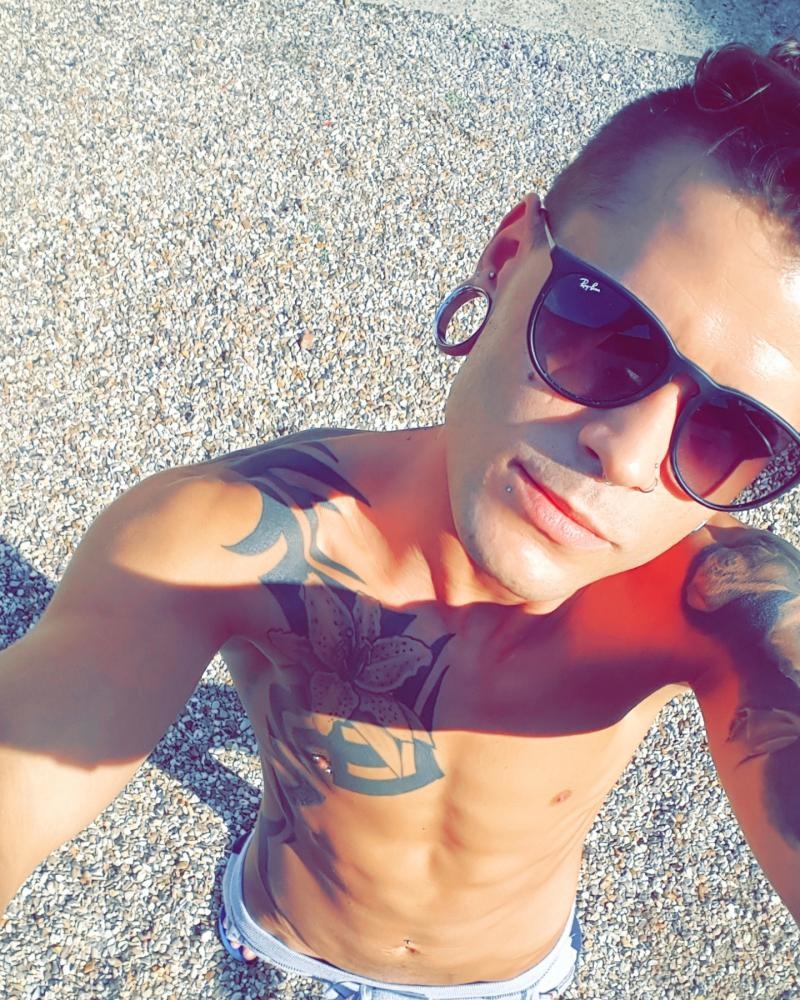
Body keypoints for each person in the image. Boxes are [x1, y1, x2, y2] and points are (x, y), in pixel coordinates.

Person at [1, 38, 799, 1000]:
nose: (627, 456)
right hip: (281, 935)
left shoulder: (723, 604)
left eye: (734, 433)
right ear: (506, 259)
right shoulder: (226, 540)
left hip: (516, 976)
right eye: (606, 330)